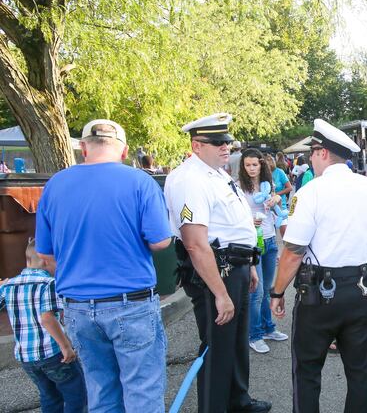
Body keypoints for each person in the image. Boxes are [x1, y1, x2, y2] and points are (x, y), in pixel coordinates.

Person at [35, 119, 172, 412]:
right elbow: (161, 242)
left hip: (77, 306)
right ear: (123, 152)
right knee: (142, 391)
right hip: (130, 302)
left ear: (83, 148)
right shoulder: (140, 182)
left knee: (101, 391)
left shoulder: (55, 185)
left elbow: (45, 256)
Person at [269, 118, 367, 413]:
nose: (311, 159)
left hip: (317, 295)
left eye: (313, 152)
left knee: (307, 371)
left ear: (323, 153)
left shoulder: (308, 193)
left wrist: (277, 292)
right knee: (358, 370)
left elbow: (292, 251)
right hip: (361, 291)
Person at [164, 113, 271, 413]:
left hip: (234, 266)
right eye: (217, 142)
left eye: (227, 142)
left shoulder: (217, 174)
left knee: (236, 342)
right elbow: (196, 243)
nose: (226, 148)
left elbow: (233, 226)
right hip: (216, 272)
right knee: (217, 348)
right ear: (197, 145)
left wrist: (248, 264)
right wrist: (220, 293)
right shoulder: (189, 178)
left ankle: (238, 401)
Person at [0, 239, 87, 412]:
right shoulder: (49, 284)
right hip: (52, 353)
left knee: (48, 396)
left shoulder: (9, 286)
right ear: (46, 260)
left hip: (26, 357)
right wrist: (66, 347)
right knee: (76, 395)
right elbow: (47, 318)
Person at [238, 148, 289, 355]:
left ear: (261, 165)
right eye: (247, 165)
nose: (251, 168)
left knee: (269, 287)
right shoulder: (239, 187)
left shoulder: (269, 184)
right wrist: (249, 220)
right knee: (256, 291)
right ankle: (254, 334)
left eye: (254, 164)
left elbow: (276, 209)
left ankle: (268, 328)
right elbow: (234, 215)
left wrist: (276, 199)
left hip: (270, 239)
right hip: (252, 242)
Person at [265, 153, 292, 238]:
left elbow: (289, 188)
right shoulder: (262, 174)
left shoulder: (279, 172)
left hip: (281, 207)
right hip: (267, 208)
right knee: (271, 236)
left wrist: (276, 194)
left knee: (286, 236)